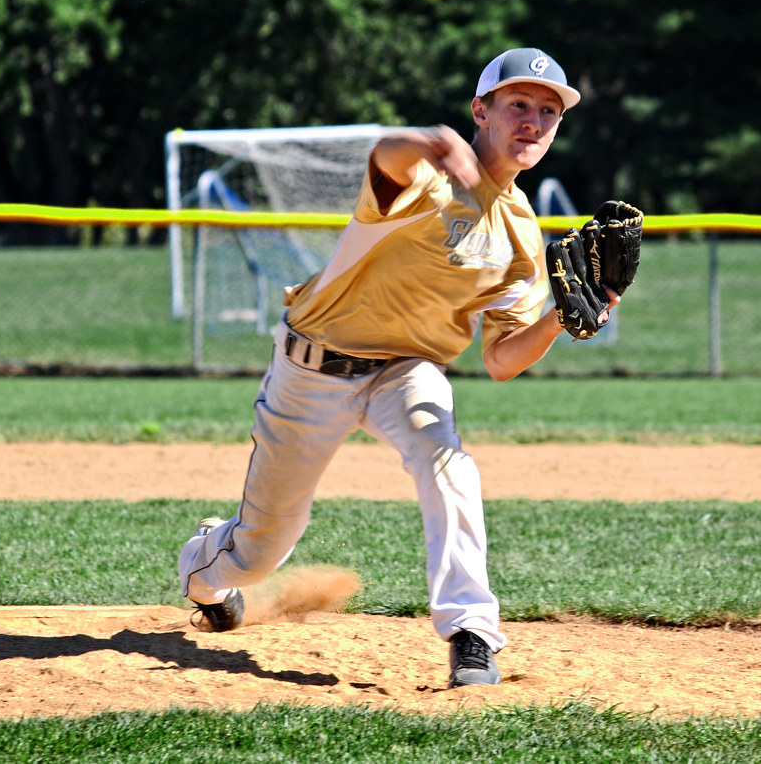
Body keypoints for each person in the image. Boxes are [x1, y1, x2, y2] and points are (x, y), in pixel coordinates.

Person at [177, 47, 620, 687]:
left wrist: (562, 317)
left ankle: (472, 633)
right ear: (481, 111)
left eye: (548, 111)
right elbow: (385, 158)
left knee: (448, 464)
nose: (533, 121)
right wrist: (429, 141)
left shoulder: (523, 233)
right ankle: (204, 566)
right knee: (259, 551)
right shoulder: (424, 177)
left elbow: (501, 360)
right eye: (518, 104)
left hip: (405, 372)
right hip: (313, 368)